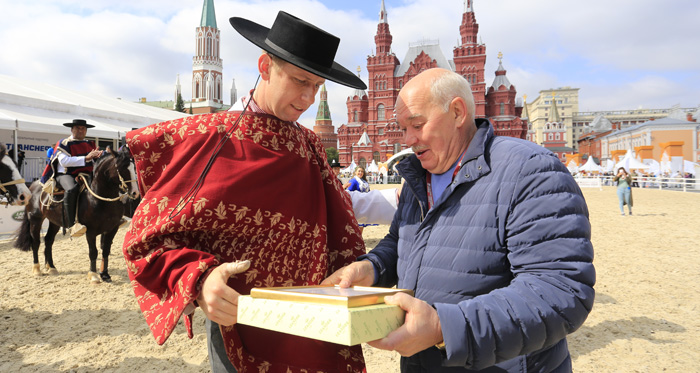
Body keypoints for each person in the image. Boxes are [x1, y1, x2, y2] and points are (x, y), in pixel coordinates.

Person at [122, 11, 368, 373]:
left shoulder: (312, 146)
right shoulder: (210, 140)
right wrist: (201, 280)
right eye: (300, 80)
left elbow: (341, 225)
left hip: (313, 330)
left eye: (316, 86)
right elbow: (146, 241)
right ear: (265, 66)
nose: (308, 98)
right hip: (237, 329)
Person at [323, 68, 595, 372]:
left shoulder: (530, 171)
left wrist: (445, 329)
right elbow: (402, 241)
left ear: (457, 112)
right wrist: (373, 268)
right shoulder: (420, 177)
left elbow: (561, 291)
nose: (408, 140)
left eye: (417, 124)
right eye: (402, 128)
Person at [50, 119, 103, 237]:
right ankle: (72, 224)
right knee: (72, 189)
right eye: (78, 128)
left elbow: (93, 161)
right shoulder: (64, 143)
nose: (81, 130)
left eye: (83, 128)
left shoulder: (90, 143)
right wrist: (86, 158)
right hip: (66, 174)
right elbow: (64, 162)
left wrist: (96, 157)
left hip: (86, 174)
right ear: (72, 129)